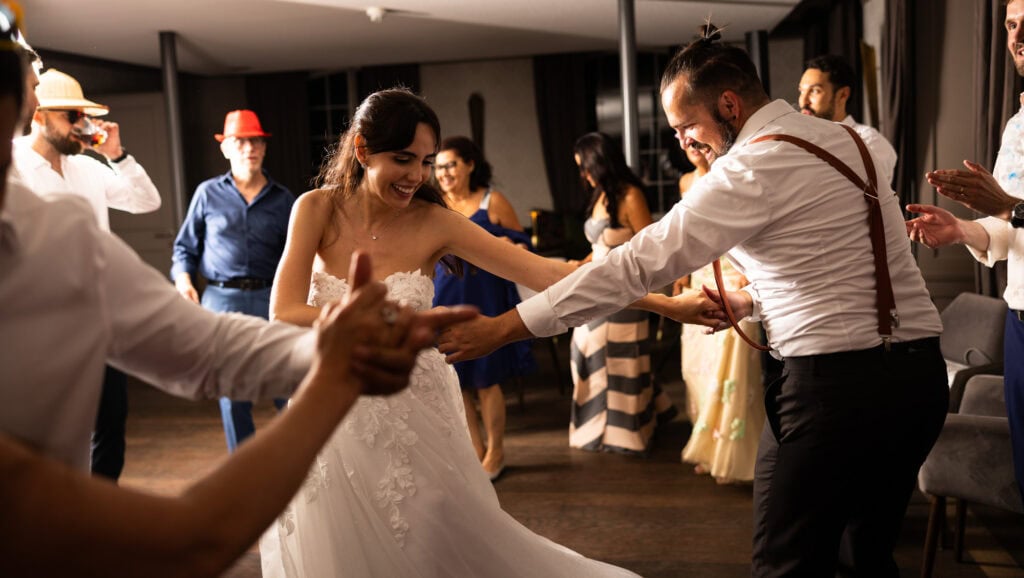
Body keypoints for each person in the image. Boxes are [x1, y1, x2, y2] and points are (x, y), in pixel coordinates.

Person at [439, 27, 948, 577]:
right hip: (918, 383)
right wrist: (752, 299)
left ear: (729, 105)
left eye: (686, 126)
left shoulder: (749, 167)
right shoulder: (853, 143)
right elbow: (843, 260)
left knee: (787, 563)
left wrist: (507, 327)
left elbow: (634, 263)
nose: (682, 142)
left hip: (834, 394)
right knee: (866, 554)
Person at [0, 19, 475, 574]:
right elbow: (193, 538)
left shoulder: (59, 234)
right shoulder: (207, 197)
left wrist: (336, 349)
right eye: (32, 102)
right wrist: (340, 370)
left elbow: (206, 350)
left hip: (259, 321)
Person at [261, 87, 704, 577]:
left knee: (436, 532)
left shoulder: (436, 223)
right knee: (335, 539)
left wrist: (667, 305)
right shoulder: (317, 208)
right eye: (403, 159)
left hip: (412, 409)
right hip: (330, 402)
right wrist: (381, 321)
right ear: (363, 150)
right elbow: (282, 311)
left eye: (426, 162)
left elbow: (552, 276)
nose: (416, 176)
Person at [13, 67, 162, 481]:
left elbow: (146, 201)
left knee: (111, 422)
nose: (80, 124)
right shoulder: (14, 169)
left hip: (100, 318)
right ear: (39, 116)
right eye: (71, 116)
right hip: (42, 325)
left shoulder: (89, 168)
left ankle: (100, 514)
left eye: (81, 116)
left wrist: (117, 155)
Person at [906, 0, 1024, 505]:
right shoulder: (1016, 126)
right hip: (1021, 319)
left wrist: (1011, 207)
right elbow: (1006, 229)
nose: (1019, 35)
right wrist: (962, 231)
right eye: (1012, 24)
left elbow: (1013, 211)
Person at [171, 110, 294, 453]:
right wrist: (183, 281)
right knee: (233, 392)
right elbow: (184, 247)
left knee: (286, 383)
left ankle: (301, 464)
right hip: (221, 301)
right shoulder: (207, 194)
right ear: (225, 149)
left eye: (256, 141)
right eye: (240, 141)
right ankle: (243, 464)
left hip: (272, 298)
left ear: (264, 148)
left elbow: (299, 255)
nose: (249, 148)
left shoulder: (284, 199)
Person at [432, 135, 536, 480]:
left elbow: (523, 244)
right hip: (443, 296)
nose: (443, 173)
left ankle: (497, 451)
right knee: (456, 380)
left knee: (487, 380)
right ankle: (476, 451)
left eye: (451, 165)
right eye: (439, 166)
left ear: (470, 165)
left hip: (485, 298)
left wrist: (506, 241)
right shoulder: (435, 205)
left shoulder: (493, 200)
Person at [568, 132, 676, 455]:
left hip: (624, 293)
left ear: (599, 163)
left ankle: (626, 433)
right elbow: (599, 246)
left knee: (623, 360)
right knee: (584, 351)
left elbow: (648, 249)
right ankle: (596, 426)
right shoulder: (600, 195)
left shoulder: (631, 196)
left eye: (585, 167)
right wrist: (582, 262)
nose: (584, 176)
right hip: (593, 290)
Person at [672, 141, 765, 484]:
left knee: (732, 374)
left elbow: (754, 226)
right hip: (699, 277)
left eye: (698, 140)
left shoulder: (734, 174)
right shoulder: (685, 182)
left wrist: (750, 273)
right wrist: (679, 272)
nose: (692, 146)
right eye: (683, 140)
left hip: (732, 277)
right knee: (697, 367)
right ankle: (708, 448)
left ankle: (734, 454)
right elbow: (683, 233)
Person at [798, 54, 898, 186]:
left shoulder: (870, 142)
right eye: (801, 91)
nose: (803, 101)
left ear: (843, 94)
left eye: (815, 91)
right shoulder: (800, 142)